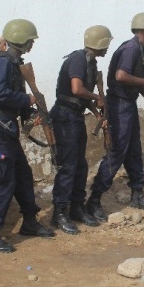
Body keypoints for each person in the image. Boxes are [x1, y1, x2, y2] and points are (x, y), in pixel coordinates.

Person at [0, 19, 54, 253]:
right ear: (21, 39)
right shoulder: (4, 62)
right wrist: (28, 100)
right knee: (1, 180)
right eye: (30, 40)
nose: (32, 43)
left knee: (23, 176)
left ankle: (30, 222)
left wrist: (31, 114)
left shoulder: (15, 63)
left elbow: (12, 96)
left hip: (8, 128)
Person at [86, 12, 144, 219]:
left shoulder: (140, 48)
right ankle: (94, 200)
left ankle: (137, 194)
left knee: (133, 151)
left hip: (127, 104)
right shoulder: (130, 49)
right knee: (117, 152)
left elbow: (136, 82)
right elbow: (122, 76)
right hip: (120, 105)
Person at [49, 25, 113, 234]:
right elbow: (77, 89)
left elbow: (82, 98)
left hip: (75, 115)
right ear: (100, 43)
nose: (107, 47)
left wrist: (97, 113)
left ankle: (76, 207)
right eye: (106, 43)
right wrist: (98, 98)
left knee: (80, 165)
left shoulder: (90, 62)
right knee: (68, 166)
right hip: (65, 116)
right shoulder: (78, 58)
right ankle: (59, 213)